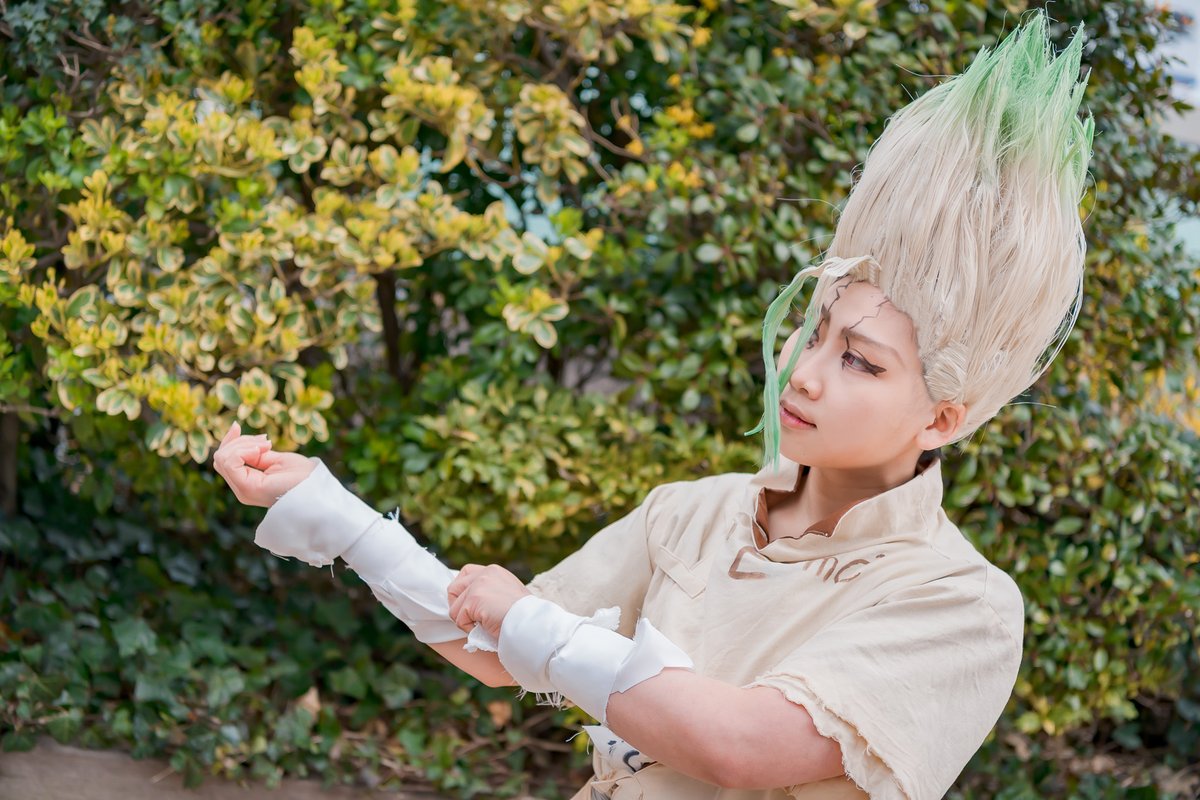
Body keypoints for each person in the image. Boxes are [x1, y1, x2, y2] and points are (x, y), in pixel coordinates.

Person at [213, 12, 1094, 799]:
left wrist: (533, 625)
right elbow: (491, 644)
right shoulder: (693, 513)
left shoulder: (962, 604)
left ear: (942, 418)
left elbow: (740, 747)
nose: (803, 372)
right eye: (814, 328)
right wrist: (328, 509)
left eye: (860, 361)